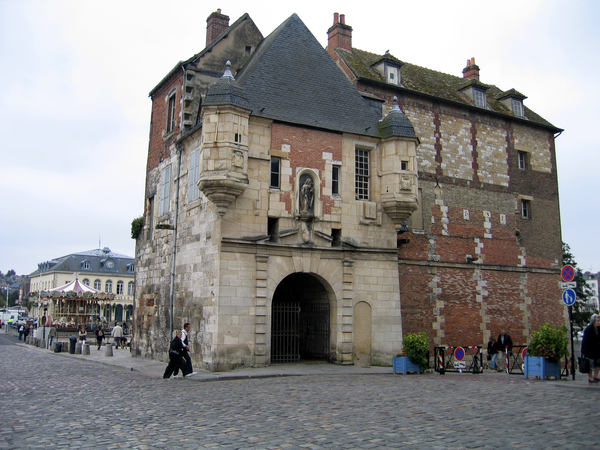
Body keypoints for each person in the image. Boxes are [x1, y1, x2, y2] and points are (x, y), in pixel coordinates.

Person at [581, 313, 600, 383]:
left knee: (598, 362)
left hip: (597, 349)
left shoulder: (599, 329)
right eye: (597, 321)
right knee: (590, 364)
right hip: (590, 350)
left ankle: (596, 375)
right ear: (593, 322)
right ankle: (590, 377)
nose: (599, 322)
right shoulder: (589, 329)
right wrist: (583, 352)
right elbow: (585, 341)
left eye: (599, 321)